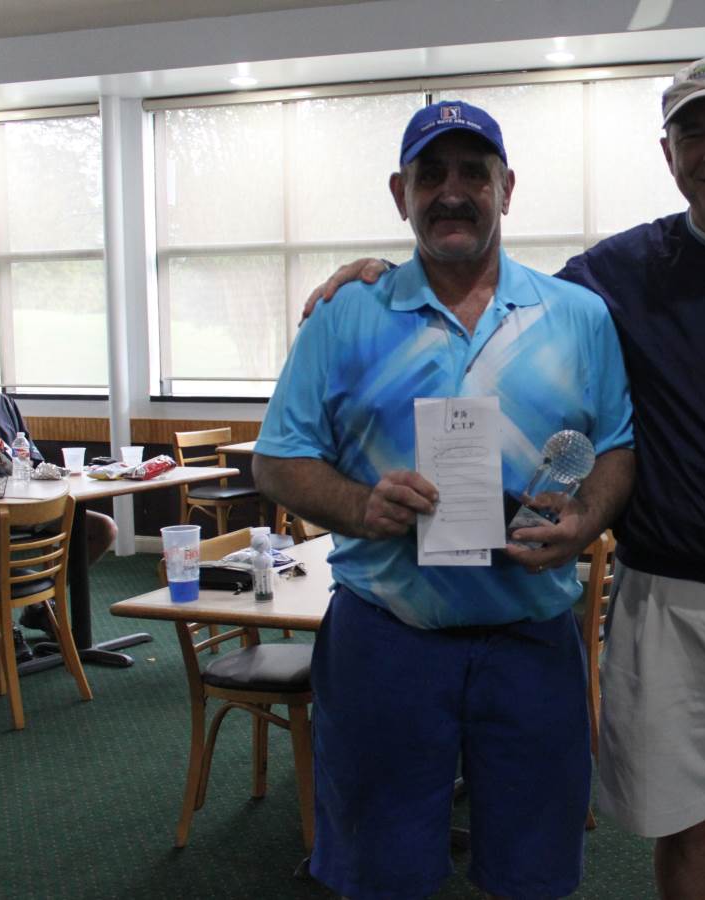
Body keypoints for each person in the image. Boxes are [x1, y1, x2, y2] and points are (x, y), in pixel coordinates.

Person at [306, 57, 705, 900]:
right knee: (680, 824)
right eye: (694, 132)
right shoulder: (612, 277)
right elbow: (489, 287)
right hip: (662, 597)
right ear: (668, 153)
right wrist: (377, 277)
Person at [252, 100, 635, 900]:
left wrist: (587, 518)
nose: (452, 192)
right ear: (401, 193)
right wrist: (360, 506)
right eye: (432, 175)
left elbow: (617, 450)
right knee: (380, 871)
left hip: (531, 634)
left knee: (533, 873)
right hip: (386, 638)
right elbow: (279, 462)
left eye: (473, 173)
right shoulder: (345, 313)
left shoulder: (577, 316)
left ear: (507, 187)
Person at [0, 335, 118, 661]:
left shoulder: (2, 404)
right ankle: (5, 625)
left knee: (102, 529)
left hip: (24, 503)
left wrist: (13, 455)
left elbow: (28, 454)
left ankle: (40, 602)